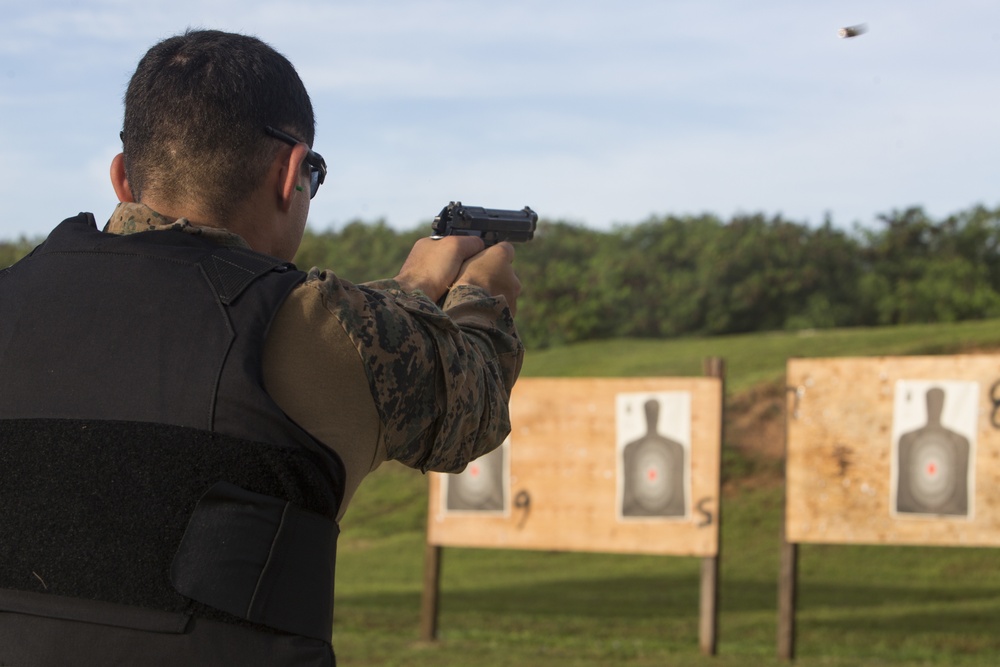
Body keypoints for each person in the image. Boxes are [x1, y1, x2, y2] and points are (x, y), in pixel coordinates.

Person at [0, 29, 523, 666]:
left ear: (121, 177)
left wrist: (412, 285)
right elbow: (473, 403)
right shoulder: (327, 328)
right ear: (289, 173)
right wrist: (481, 295)